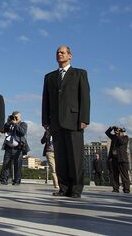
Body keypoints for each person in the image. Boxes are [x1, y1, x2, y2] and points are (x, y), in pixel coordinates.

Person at [42, 45, 90, 199]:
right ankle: (63, 187)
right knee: (61, 157)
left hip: (74, 120)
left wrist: (84, 118)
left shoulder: (79, 74)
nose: (59, 54)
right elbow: (46, 100)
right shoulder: (49, 77)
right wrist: (45, 120)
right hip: (55, 122)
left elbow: (85, 98)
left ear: (70, 55)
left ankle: (76, 189)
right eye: (57, 52)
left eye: (62, 52)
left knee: (75, 156)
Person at [0, 111, 28, 186]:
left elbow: (22, 132)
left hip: (18, 148)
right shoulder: (9, 124)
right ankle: (3, 180)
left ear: (19, 117)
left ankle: (16, 181)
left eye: (16, 117)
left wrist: (16, 124)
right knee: (6, 164)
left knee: (17, 165)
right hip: (8, 147)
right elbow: (3, 130)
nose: (14, 118)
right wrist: (8, 122)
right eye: (13, 117)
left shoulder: (23, 124)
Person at [106, 126, 130, 193]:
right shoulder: (114, 137)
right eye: (116, 131)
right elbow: (107, 133)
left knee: (124, 175)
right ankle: (115, 188)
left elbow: (121, 142)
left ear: (122, 132)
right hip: (114, 159)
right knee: (114, 175)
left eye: (118, 131)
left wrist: (118, 135)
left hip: (122, 160)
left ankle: (126, 189)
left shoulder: (125, 137)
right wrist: (111, 128)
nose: (116, 132)